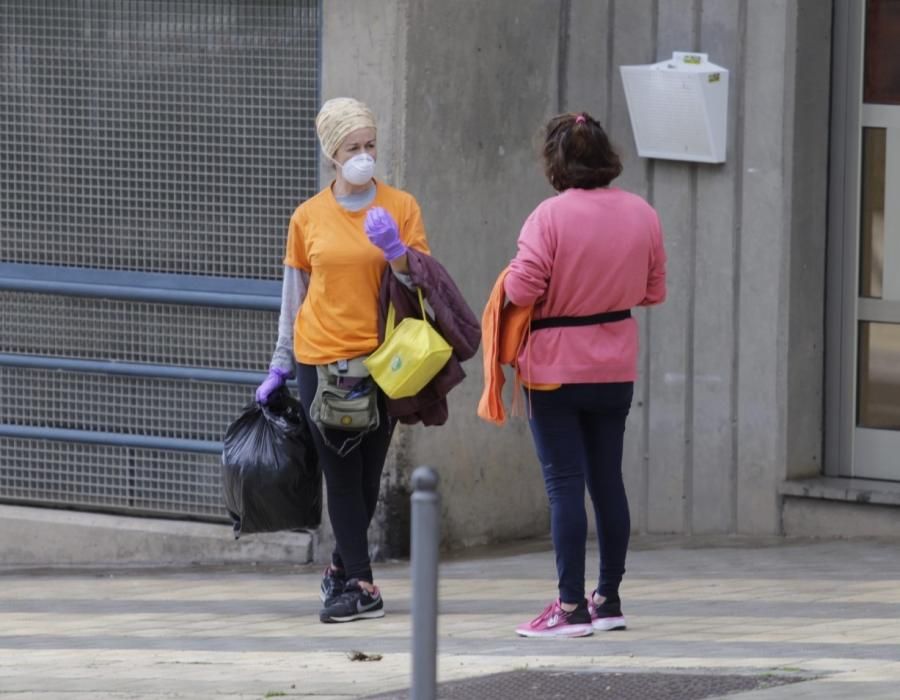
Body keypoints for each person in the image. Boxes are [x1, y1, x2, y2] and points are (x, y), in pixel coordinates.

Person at [255, 97, 431, 624]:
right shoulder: (307, 216)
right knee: (339, 468)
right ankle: (360, 583)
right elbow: (295, 294)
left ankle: (339, 570)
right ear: (333, 154)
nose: (364, 155)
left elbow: (424, 288)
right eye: (353, 147)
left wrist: (398, 253)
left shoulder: (402, 207)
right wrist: (280, 365)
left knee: (368, 473)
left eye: (370, 145)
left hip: (386, 361)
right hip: (322, 362)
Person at [503, 112, 667, 638]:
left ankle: (570, 608)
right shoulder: (643, 213)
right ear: (606, 156)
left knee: (564, 486)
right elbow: (653, 290)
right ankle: (609, 599)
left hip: (553, 367)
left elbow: (522, 291)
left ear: (556, 162)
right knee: (607, 481)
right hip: (615, 365)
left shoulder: (548, 216)